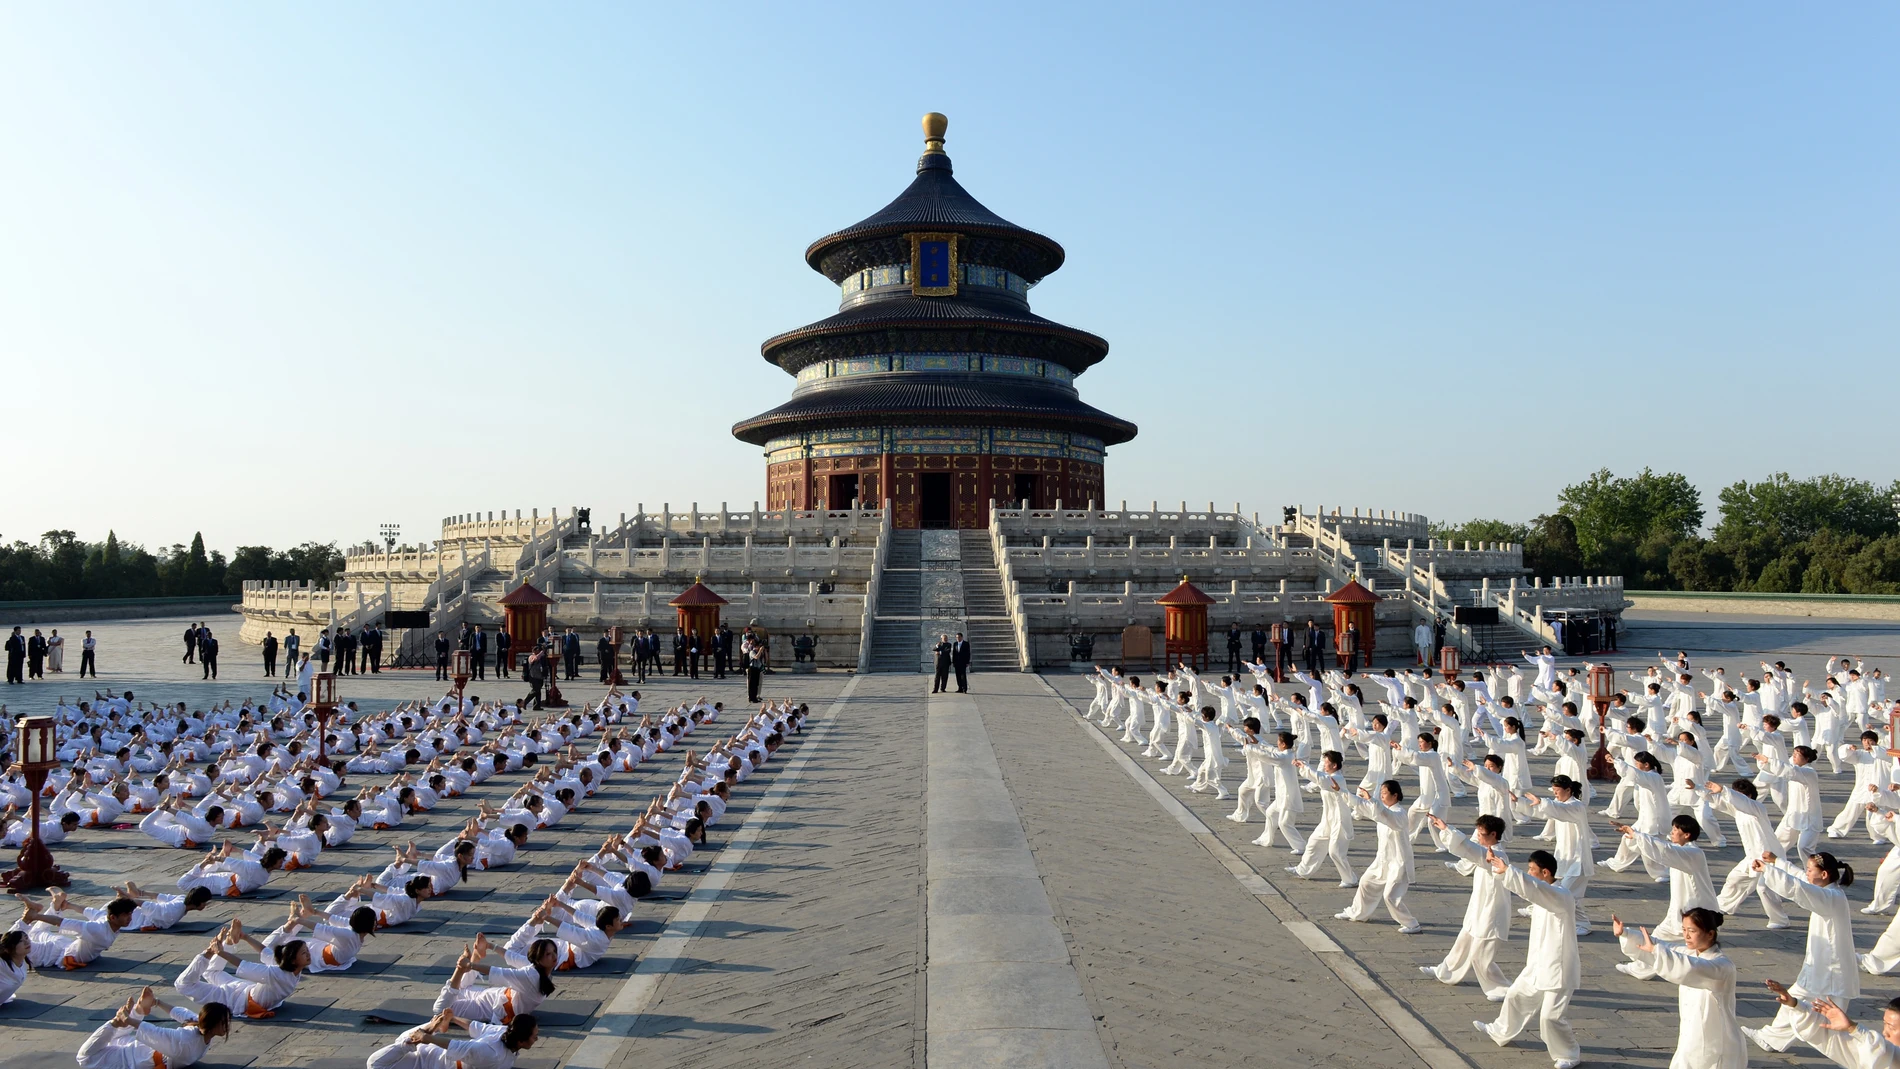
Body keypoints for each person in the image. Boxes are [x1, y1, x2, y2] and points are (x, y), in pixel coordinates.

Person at [1475, 848, 1581, 1069]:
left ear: (1545, 872)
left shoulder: (1561, 895)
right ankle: (1499, 1031)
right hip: (1537, 963)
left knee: (1549, 1018)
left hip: (1558, 968)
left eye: (1532, 870)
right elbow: (1528, 890)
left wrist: (1509, 871)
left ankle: (1569, 1054)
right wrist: (1501, 869)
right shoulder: (1543, 893)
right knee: (1514, 995)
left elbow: (1533, 889)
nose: (1529, 873)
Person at [1745, 850, 1860, 1053]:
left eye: (1810, 869)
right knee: (1797, 998)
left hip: (1830, 969)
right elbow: (1800, 879)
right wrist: (1777, 863)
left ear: (1824, 874)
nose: (1806, 872)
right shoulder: (1826, 891)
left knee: (1829, 1017)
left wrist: (1768, 870)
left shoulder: (1830, 897)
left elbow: (1798, 888)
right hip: (1820, 966)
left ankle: (1857, 1051)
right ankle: (1770, 1038)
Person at [1613, 908, 1745, 1069]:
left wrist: (1656, 951)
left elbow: (1693, 968)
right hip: (1691, 1033)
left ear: (1710, 934)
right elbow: (1663, 946)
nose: (1686, 936)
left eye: (1692, 931)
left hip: (1715, 1037)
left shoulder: (1722, 965)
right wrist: (1626, 933)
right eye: (1684, 930)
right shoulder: (1689, 953)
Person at [1422, 813, 1511, 999]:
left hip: (1490, 911)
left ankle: (1502, 990)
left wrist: (1448, 830)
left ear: (1494, 834)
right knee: (1463, 943)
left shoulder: (1498, 855)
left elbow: (1470, 850)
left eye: (1482, 834)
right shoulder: (1486, 852)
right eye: (1477, 833)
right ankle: (1444, 971)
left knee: (1481, 955)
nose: (1478, 837)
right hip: (1478, 908)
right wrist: (1447, 831)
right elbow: (1471, 851)